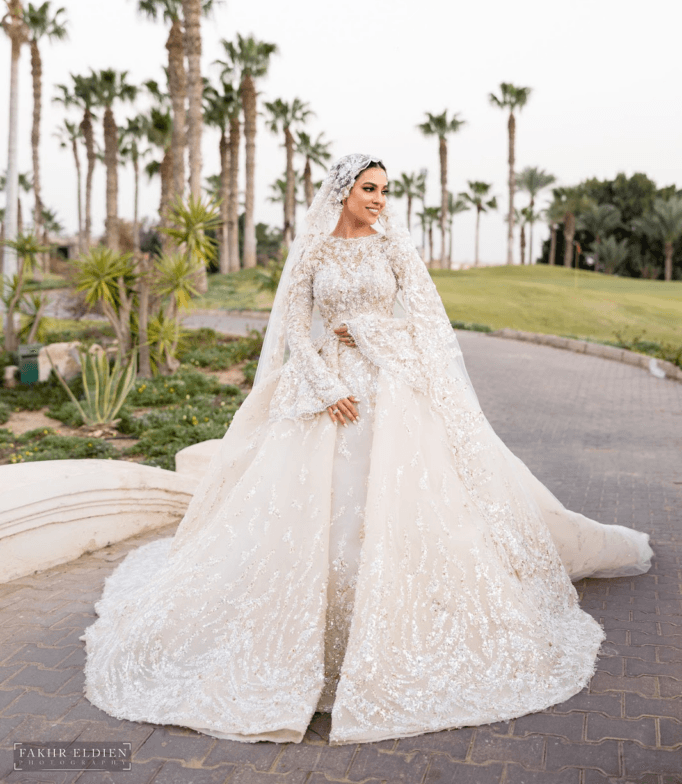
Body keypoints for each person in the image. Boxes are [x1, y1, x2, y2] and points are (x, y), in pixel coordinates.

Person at [83, 153, 652, 746]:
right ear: (344, 190)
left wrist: (375, 334)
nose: (379, 199)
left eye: (385, 190)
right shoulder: (312, 251)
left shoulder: (393, 249)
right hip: (324, 391)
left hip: (392, 394)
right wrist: (326, 387)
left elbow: (431, 328)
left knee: (401, 510)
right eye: (370, 188)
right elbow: (292, 333)